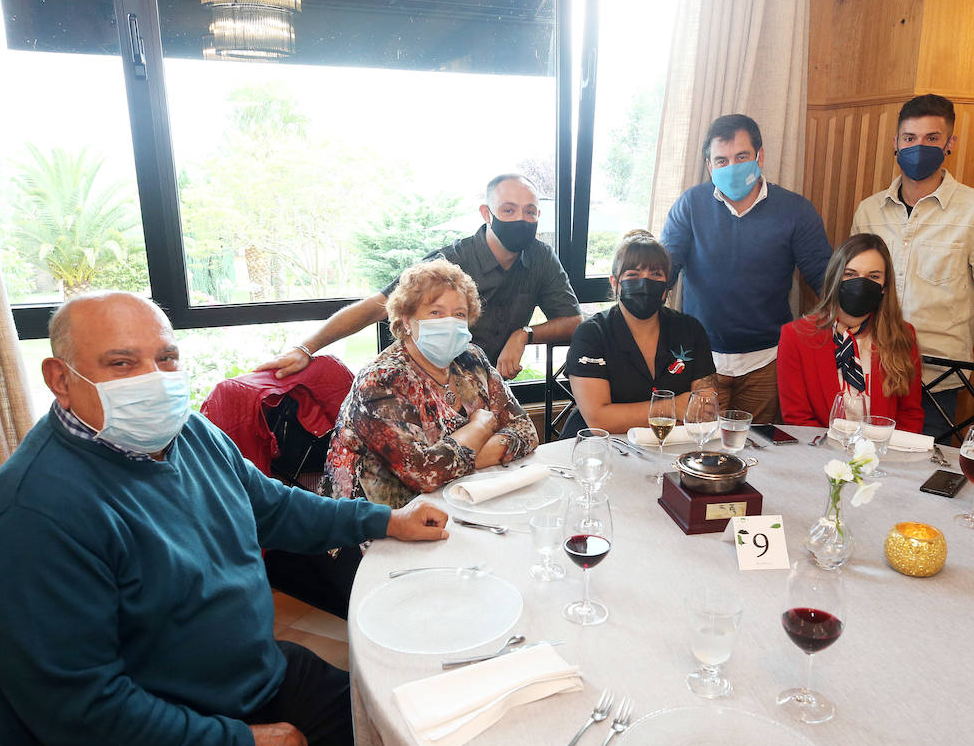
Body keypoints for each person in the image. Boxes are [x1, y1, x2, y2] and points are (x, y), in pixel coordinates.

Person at [0, 291, 450, 746]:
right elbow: (85, 716)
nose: (153, 379)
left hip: (234, 684)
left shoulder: (187, 434)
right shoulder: (30, 523)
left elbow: (275, 508)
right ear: (60, 380)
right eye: (121, 363)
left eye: (165, 358)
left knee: (377, 726)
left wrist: (386, 519)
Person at [258, 174, 583, 381]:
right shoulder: (451, 261)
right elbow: (378, 305)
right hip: (425, 382)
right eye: (509, 210)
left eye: (531, 211)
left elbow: (572, 320)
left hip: (483, 386)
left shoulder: (541, 257)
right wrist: (306, 347)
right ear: (487, 214)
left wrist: (523, 334)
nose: (521, 219)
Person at [850, 94, 974, 441]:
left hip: (937, 375)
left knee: (923, 475)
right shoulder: (869, 211)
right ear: (895, 143)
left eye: (931, 139)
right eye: (910, 138)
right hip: (871, 367)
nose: (918, 147)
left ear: (950, 144)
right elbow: (850, 288)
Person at [322, 260, 539, 509]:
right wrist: (478, 428)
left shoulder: (472, 359)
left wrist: (454, 460)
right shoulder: (382, 381)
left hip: (459, 498)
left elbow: (525, 431)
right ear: (406, 320)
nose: (449, 323)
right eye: (435, 312)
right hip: (374, 522)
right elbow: (423, 475)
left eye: (459, 314)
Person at [661, 113, 831, 424]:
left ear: (760, 156)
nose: (732, 167)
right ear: (710, 165)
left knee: (757, 455)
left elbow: (825, 281)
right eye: (722, 160)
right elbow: (664, 273)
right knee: (699, 451)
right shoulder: (689, 205)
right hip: (700, 362)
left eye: (742, 157)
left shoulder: (796, 210)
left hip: (767, 362)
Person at [562, 230, 716, 437]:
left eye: (655, 275)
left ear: (665, 287)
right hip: (601, 450)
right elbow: (599, 420)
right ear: (615, 283)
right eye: (633, 275)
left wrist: (627, 415)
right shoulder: (592, 334)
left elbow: (704, 409)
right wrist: (673, 407)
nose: (644, 283)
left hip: (671, 446)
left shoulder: (690, 329)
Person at [777, 234, 924, 433]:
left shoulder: (902, 336)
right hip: (819, 455)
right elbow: (797, 418)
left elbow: (910, 415)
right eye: (850, 274)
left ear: (884, 286)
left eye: (874, 277)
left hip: (882, 455)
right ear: (835, 278)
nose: (861, 284)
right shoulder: (796, 336)